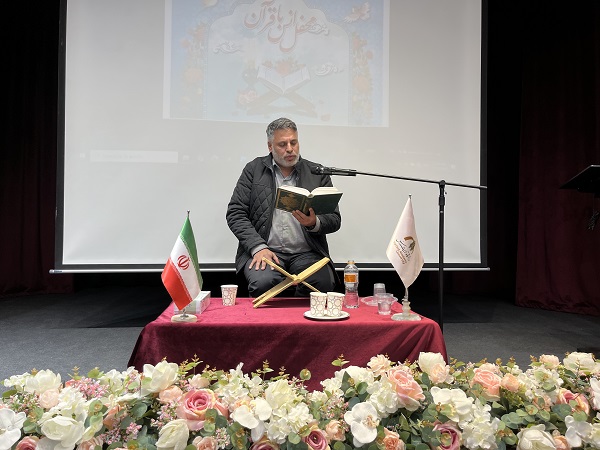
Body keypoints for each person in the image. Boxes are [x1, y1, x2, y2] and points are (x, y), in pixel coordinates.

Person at [226, 117, 341, 297]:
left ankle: (301, 317)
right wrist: (258, 247)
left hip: (307, 253)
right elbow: (235, 213)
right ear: (270, 146)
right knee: (263, 283)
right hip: (266, 251)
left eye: (293, 142)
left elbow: (334, 219)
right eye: (282, 144)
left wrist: (314, 223)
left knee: (322, 283)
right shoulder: (253, 170)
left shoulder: (317, 172)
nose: (289, 149)